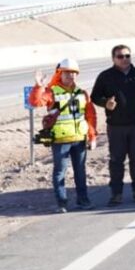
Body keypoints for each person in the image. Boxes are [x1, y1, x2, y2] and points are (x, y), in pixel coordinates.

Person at [90, 44, 135, 204]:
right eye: (120, 56)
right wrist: (105, 103)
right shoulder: (106, 76)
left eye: (127, 56)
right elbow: (94, 96)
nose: (124, 59)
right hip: (116, 126)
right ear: (113, 59)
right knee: (116, 160)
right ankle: (116, 194)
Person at [30, 58, 97, 212]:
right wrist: (39, 86)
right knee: (60, 172)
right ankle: (62, 203)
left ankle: (83, 200)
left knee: (80, 172)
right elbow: (35, 102)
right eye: (67, 73)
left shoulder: (82, 94)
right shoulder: (51, 92)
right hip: (60, 141)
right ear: (60, 74)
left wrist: (92, 136)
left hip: (79, 139)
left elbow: (90, 117)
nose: (70, 76)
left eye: (73, 73)